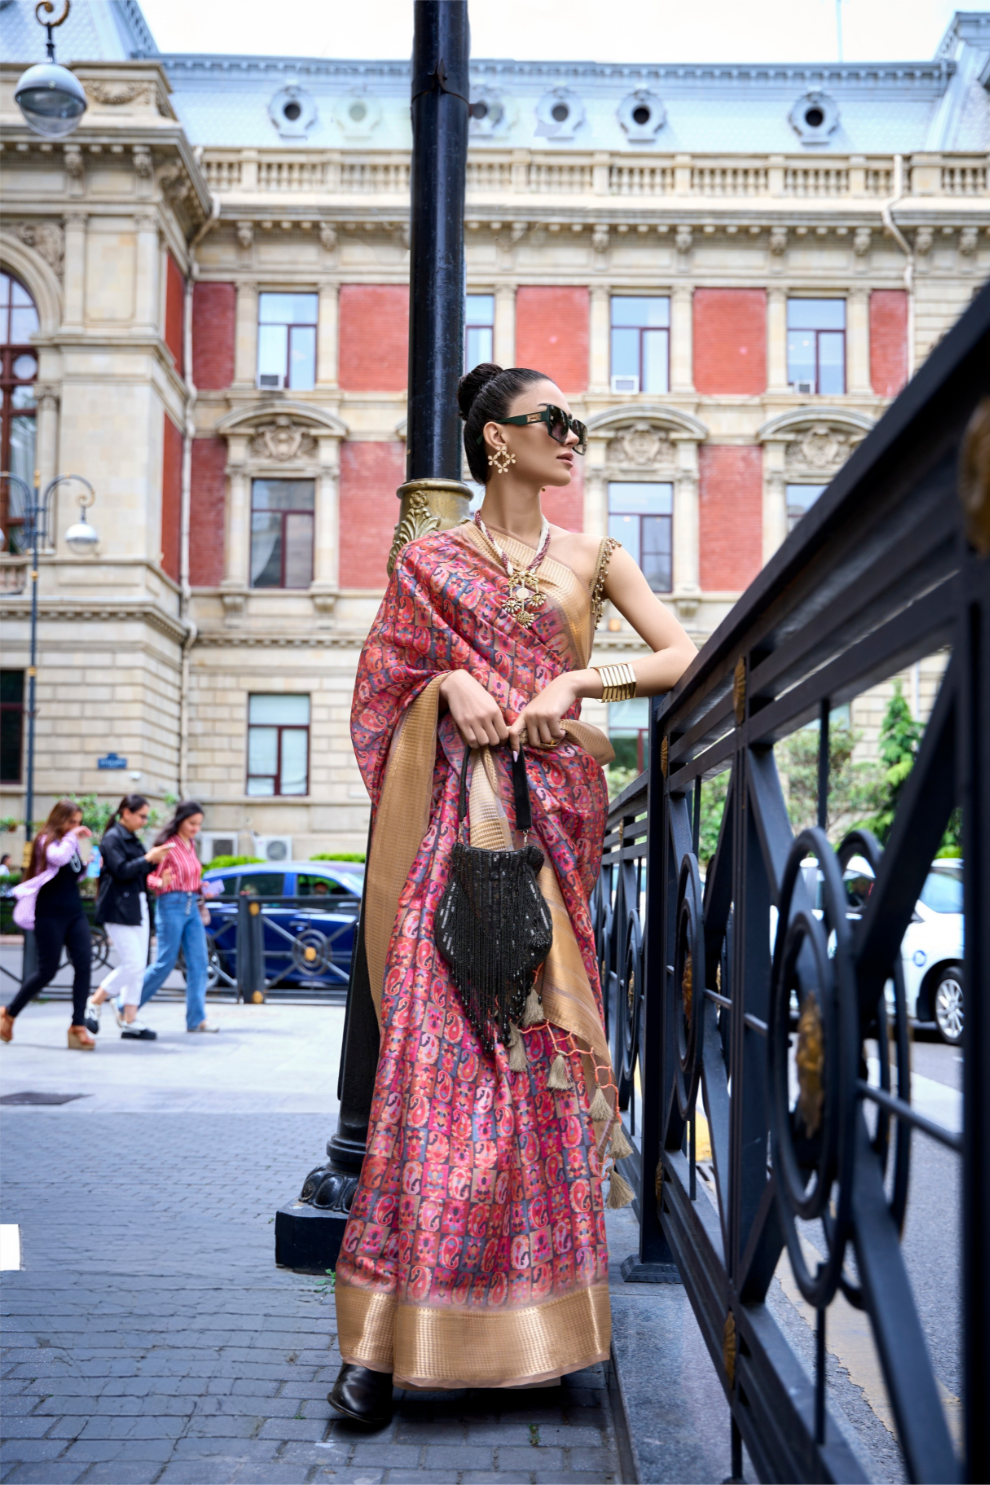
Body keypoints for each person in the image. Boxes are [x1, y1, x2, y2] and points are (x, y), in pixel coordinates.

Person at [328, 363, 696, 1425]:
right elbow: (382, 690)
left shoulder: (595, 555)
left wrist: (582, 681)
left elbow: (682, 650)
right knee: (429, 1077)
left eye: (575, 425)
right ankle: (383, 1348)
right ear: (498, 439)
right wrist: (449, 683)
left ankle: (550, 1332)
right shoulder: (430, 561)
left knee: (540, 1068)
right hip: (454, 834)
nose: (574, 439)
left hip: (556, 829)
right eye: (555, 423)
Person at [1, 800, 97, 1050]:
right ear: (59, 819)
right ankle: (8, 1014)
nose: (75, 827)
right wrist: (73, 837)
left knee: (84, 964)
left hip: (74, 912)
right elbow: (58, 858)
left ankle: (78, 1026)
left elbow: (72, 873)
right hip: (49, 914)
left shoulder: (69, 842)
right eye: (71, 822)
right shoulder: (46, 840)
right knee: (47, 971)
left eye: (78, 822)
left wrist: (90, 864)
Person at [84, 795, 172, 1042]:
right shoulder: (113, 838)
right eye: (142, 816)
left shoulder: (132, 838)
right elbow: (121, 870)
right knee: (133, 964)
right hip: (117, 907)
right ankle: (94, 1002)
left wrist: (158, 874)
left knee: (138, 966)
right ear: (126, 812)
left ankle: (130, 1020)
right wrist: (148, 858)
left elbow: (141, 874)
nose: (144, 821)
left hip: (138, 904)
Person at [137, 800, 220, 1034]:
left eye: (199, 824)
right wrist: (160, 882)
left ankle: (196, 1019)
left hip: (192, 904)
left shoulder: (190, 844)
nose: (196, 828)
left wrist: (202, 886)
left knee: (200, 963)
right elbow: (148, 878)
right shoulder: (168, 845)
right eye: (192, 823)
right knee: (164, 962)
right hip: (170, 904)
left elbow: (190, 876)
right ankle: (126, 1005)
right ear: (180, 820)